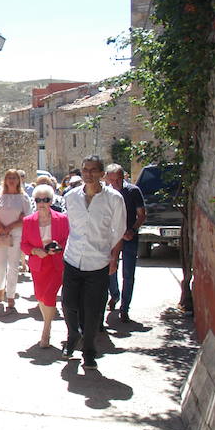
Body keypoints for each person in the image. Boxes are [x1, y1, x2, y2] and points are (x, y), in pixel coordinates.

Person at [61, 155, 126, 369]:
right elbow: (69, 226)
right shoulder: (71, 197)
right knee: (68, 304)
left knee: (92, 311)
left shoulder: (114, 199)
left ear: (101, 173)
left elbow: (119, 229)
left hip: (98, 262)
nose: (88, 174)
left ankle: (89, 352)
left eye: (93, 170)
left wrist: (114, 257)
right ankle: (73, 335)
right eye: (85, 169)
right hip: (72, 258)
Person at [20, 184, 70, 347]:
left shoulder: (62, 219)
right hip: (38, 264)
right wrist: (35, 251)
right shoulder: (28, 221)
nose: (42, 203)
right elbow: (24, 245)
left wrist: (58, 248)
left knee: (49, 296)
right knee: (40, 296)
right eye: (38, 200)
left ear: (51, 201)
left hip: (56, 263)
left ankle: (46, 330)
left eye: (45, 199)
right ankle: (47, 324)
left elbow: (67, 240)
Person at [105, 164, 146, 323]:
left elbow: (141, 215)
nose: (115, 184)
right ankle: (115, 295)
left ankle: (125, 307)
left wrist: (133, 230)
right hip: (111, 238)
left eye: (118, 180)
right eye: (112, 180)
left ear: (123, 177)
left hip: (129, 237)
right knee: (110, 270)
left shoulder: (133, 191)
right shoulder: (105, 193)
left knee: (128, 274)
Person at [0, 169, 32, 311]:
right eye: (9, 177)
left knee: (13, 265)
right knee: (0, 265)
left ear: (18, 180)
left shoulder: (23, 197)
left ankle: (11, 295)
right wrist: (0, 226)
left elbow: (28, 217)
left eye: (14, 178)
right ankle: (0, 288)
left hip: (16, 235)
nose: (12, 180)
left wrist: (11, 226)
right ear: (5, 180)